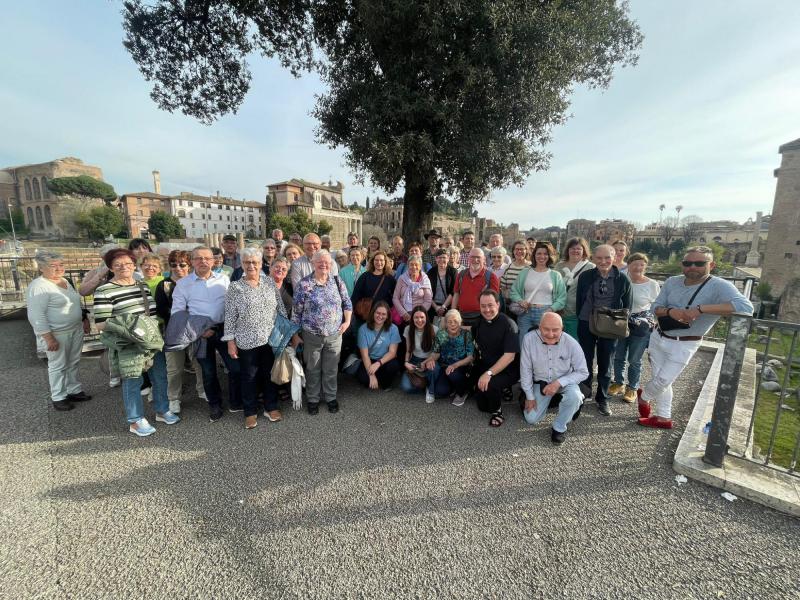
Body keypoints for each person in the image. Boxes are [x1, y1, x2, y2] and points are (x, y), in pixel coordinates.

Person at [638, 246, 753, 428]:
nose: (692, 267)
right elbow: (655, 307)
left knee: (663, 380)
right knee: (660, 377)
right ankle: (663, 418)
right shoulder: (672, 281)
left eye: (699, 263)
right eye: (687, 263)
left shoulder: (720, 286)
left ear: (711, 265)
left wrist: (701, 309)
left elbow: (746, 308)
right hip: (658, 337)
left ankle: (644, 397)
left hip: (685, 343)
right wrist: (671, 311)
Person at [94, 248, 178, 436]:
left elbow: (152, 313)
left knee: (160, 376)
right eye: (118, 264)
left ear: (134, 265)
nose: (124, 267)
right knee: (133, 380)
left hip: (151, 339)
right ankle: (135, 420)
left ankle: (162, 410)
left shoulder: (142, 285)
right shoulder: (104, 290)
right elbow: (100, 323)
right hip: (129, 343)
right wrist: (131, 329)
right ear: (110, 267)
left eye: (128, 263)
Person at [223, 247, 294, 429]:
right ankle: (250, 411)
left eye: (255, 262)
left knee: (269, 374)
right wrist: (231, 342)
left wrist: (285, 334)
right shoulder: (235, 287)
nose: (251, 266)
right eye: (247, 262)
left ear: (261, 263)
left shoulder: (269, 283)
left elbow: (280, 309)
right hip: (246, 340)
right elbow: (230, 316)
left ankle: (271, 407)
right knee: (249, 376)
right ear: (242, 264)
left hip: (270, 339)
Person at [172, 246, 240, 422]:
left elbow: (232, 305)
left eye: (207, 258)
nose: (203, 262)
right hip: (200, 334)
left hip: (224, 329)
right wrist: (201, 329)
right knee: (208, 372)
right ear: (192, 261)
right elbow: (178, 313)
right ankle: (215, 404)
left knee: (235, 368)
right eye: (198, 258)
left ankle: (235, 401)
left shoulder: (224, 279)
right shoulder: (183, 284)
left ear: (213, 260)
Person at [27, 250, 91, 411]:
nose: (58, 268)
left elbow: (74, 302)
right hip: (56, 333)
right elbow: (36, 315)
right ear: (41, 268)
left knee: (73, 361)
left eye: (61, 264)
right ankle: (58, 396)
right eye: (53, 266)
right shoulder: (39, 286)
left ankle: (73, 390)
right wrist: (48, 338)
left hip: (74, 329)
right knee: (58, 365)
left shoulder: (65, 281)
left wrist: (84, 319)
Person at [575, 244, 632, 417]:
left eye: (607, 257)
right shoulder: (586, 276)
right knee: (585, 360)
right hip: (587, 321)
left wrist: (616, 321)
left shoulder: (622, 279)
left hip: (610, 325)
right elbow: (579, 299)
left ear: (614, 258)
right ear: (593, 258)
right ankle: (583, 394)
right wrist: (584, 317)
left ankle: (602, 397)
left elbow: (628, 305)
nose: (603, 261)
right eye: (599, 258)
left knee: (606, 362)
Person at [292, 250, 352, 414]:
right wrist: (295, 335)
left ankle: (331, 397)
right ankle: (313, 399)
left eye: (327, 262)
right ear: (313, 263)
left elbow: (347, 303)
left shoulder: (337, 281)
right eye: (320, 262)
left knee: (331, 368)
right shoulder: (304, 284)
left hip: (334, 335)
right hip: (312, 335)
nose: (324, 264)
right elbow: (296, 312)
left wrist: (347, 322)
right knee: (313, 368)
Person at [519, 312, 588, 444]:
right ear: (539, 327)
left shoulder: (572, 343)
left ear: (562, 328)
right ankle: (556, 401)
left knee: (575, 397)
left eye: (555, 330)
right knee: (531, 419)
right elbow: (525, 369)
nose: (550, 334)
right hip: (541, 382)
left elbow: (583, 372)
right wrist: (529, 396)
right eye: (546, 329)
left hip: (565, 381)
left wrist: (558, 383)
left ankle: (559, 427)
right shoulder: (528, 339)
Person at [155, 249, 205, 414]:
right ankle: (173, 398)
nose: (178, 268)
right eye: (173, 265)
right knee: (174, 368)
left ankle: (202, 390)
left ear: (189, 265)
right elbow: (162, 310)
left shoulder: (195, 282)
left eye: (182, 264)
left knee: (198, 363)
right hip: (174, 331)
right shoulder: (164, 285)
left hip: (194, 330)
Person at [609, 253, 661, 403]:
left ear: (645, 266)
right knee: (619, 355)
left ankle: (632, 387)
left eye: (642, 264)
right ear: (629, 265)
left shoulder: (652, 284)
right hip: (621, 321)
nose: (638, 267)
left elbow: (657, 305)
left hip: (641, 324)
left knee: (634, 358)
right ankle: (618, 382)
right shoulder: (621, 280)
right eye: (635, 264)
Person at [470, 290, 519, 427]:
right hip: (487, 365)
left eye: (490, 305)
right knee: (482, 406)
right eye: (483, 306)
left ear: (498, 304)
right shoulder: (478, 323)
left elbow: (509, 357)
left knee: (490, 385)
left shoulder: (509, 325)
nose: (487, 309)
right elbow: (471, 334)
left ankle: (498, 412)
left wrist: (488, 373)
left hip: (508, 369)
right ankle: (502, 389)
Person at [509, 241, 567, 346]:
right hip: (525, 313)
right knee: (524, 343)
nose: (542, 256)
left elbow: (562, 298)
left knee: (544, 344)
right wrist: (520, 301)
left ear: (549, 256)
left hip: (546, 312)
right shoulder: (525, 272)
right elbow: (514, 291)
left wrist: (551, 309)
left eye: (545, 254)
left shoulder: (555, 275)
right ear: (534, 255)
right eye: (539, 253)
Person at [424, 309, 474, 405]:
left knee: (453, 374)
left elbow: (470, 357)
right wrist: (430, 360)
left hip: (460, 367)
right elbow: (436, 353)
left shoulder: (466, 334)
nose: (452, 324)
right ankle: (452, 387)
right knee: (440, 391)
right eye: (449, 322)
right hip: (444, 366)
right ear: (446, 323)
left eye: (455, 321)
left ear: (460, 322)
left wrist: (455, 365)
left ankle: (462, 392)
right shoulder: (441, 334)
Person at [355, 300, 402, 390]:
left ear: (387, 316)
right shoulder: (363, 329)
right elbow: (364, 355)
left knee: (393, 366)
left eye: (383, 314)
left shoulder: (393, 329)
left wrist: (378, 364)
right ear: (373, 313)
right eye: (378, 313)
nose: (380, 316)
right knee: (364, 379)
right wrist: (371, 375)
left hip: (384, 360)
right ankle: (375, 379)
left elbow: (392, 352)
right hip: (370, 359)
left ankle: (383, 381)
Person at [555, 237, 595, 340]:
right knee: (558, 340)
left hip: (578, 312)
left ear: (584, 251)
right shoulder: (559, 266)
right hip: (559, 310)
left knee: (574, 341)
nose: (575, 251)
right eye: (572, 248)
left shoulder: (590, 267)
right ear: (568, 250)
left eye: (578, 249)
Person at [452, 248, 500, 328]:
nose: (475, 260)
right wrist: (453, 313)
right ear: (468, 259)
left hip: (482, 318)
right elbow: (456, 294)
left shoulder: (491, 277)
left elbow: (495, 301)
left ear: (484, 259)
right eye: (472, 257)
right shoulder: (461, 275)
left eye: (478, 257)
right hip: (462, 318)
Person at [400, 306, 439, 402]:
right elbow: (408, 350)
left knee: (433, 369)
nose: (419, 320)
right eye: (416, 317)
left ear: (426, 317)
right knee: (406, 387)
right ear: (412, 318)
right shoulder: (408, 329)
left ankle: (429, 388)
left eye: (422, 317)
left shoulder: (435, 329)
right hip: (415, 360)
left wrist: (426, 362)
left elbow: (436, 352)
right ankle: (426, 384)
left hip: (430, 359)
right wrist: (406, 363)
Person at [351, 251, 397, 319]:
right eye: (376, 260)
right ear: (372, 261)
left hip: (383, 315)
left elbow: (395, 296)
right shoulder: (365, 277)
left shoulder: (390, 279)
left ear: (385, 262)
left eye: (381, 260)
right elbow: (355, 296)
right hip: (367, 314)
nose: (379, 262)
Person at [392, 257, 433, 330]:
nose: (414, 267)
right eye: (411, 264)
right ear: (408, 266)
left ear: (420, 266)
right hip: (403, 316)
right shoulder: (402, 278)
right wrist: (404, 313)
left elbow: (428, 300)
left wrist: (418, 314)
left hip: (419, 316)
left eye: (416, 265)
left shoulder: (425, 280)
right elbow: (395, 298)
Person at [427, 249, 457, 323]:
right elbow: (427, 291)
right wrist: (436, 307)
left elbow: (454, 291)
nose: (441, 259)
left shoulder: (453, 272)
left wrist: (444, 306)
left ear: (448, 258)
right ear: (436, 259)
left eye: (444, 257)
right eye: (439, 257)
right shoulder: (431, 272)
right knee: (433, 330)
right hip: (433, 307)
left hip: (448, 307)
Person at [500, 240, 531, 311]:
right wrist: (514, 298)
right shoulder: (508, 267)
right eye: (517, 249)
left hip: (528, 306)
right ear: (513, 251)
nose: (519, 251)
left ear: (526, 251)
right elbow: (503, 288)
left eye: (522, 249)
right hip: (511, 306)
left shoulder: (531, 267)